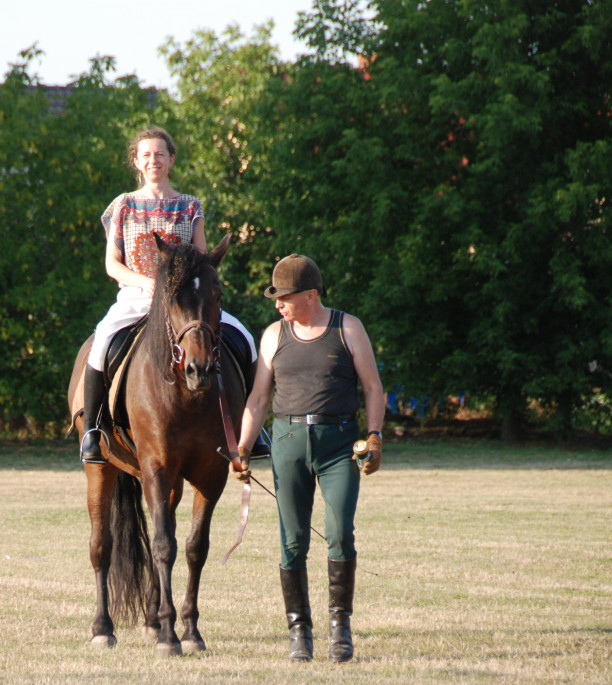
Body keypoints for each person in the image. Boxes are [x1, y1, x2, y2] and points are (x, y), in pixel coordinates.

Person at [231, 253, 384, 663]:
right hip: (288, 442)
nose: (277, 303)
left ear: (311, 295)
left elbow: (372, 387)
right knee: (292, 540)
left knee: (338, 532)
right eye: (276, 297)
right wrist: (242, 449)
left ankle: (340, 630)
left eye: (285, 296)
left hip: (338, 443)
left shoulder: (347, 327)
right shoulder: (273, 335)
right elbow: (259, 397)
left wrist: (374, 437)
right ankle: (299, 632)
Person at [80, 126, 257, 464]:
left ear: (171, 159)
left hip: (185, 301)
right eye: (146, 154)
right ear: (136, 161)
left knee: (245, 338)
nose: (153, 160)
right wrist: (146, 284)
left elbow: (203, 260)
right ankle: (92, 430)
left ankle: (254, 428)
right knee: (102, 340)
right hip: (137, 296)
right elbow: (111, 265)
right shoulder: (124, 205)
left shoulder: (191, 206)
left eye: (160, 153)